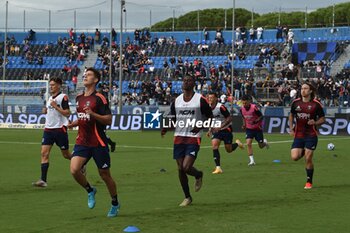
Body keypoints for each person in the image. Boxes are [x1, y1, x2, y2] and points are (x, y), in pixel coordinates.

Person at [68, 67, 120, 217]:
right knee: (74, 169)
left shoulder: (100, 98)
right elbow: (84, 118)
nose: (85, 76)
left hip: (98, 142)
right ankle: (90, 190)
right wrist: (74, 123)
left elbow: (109, 120)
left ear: (95, 80)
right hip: (82, 141)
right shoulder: (79, 98)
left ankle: (115, 203)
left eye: (89, 75)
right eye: (85, 74)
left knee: (105, 175)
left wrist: (93, 114)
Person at [161, 76, 213, 207]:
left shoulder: (200, 100)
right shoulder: (177, 100)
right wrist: (166, 128)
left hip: (193, 137)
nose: (186, 82)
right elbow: (174, 119)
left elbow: (211, 117)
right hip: (178, 136)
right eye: (184, 80)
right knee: (180, 169)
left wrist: (200, 125)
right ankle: (187, 197)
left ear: (194, 84)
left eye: (189, 80)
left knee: (186, 167)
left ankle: (198, 174)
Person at [32, 77, 71, 187]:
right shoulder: (49, 98)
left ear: (59, 85)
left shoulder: (63, 97)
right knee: (44, 153)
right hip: (48, 130)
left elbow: (68, 113)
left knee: (66, 154)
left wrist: (56, 107)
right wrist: (45, 111)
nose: (51, 87)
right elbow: (49, 110)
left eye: (53, 85)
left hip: (60, 130)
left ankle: (80, 164)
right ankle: (43, 180)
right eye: (50, 85)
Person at [289, 83, 325, 189]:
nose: (303, 90)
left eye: (305, 88)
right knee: (294, 157)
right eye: (302, 88)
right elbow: (291, 115)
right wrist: (291, 128)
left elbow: (323, 119)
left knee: (308, 158)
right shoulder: (295, 103)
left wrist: (315, 122)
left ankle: (309, 181)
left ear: (310, 91)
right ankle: (305, 151)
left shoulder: (316, 104)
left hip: (311, 134)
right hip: (299, 134)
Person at [206, 92, 244, 174]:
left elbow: (229, 118)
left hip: (226, 129)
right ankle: (218, 168)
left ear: (216, 98)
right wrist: (209, 129)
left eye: (212, 98)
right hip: (216, 131)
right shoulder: (208, 108)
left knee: (229, 150)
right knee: (214, 146)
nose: (210, 99)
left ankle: (237, 144)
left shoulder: (221, 107)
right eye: (209, 98)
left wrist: (220, 126)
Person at [240, 95, 269, 166]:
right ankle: (252, 161)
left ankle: (264, 142)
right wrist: (244, 125)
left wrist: (255, 121)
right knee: (248, 143)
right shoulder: (241, 109)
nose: (244, 105)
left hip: (257, 129)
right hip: (249, 129)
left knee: (261, 146)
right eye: (243, 103)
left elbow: (261, 116)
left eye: (245, 103)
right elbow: (243, 117)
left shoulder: (254, 108)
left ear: (249, 102)